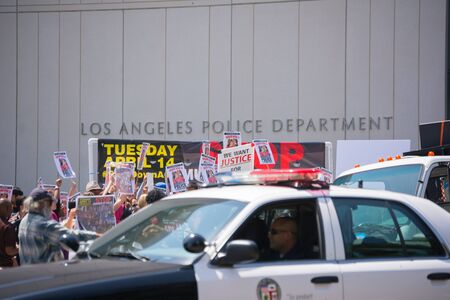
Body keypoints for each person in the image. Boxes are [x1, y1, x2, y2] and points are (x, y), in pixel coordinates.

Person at [18, 188, 98, 265]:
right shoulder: (43, 225)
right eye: (49, 203)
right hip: (46, 274)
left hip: (28, 273)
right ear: (42, 204)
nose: (51, 207)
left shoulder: (24, 221)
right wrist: (99, 236)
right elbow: (71, 235)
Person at [0, 198, 18, 267]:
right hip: (5, 266)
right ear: (8, 209)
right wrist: (20, 248)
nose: (12, 210)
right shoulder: (8, 227)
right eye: (11, 208)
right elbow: (9, 251)